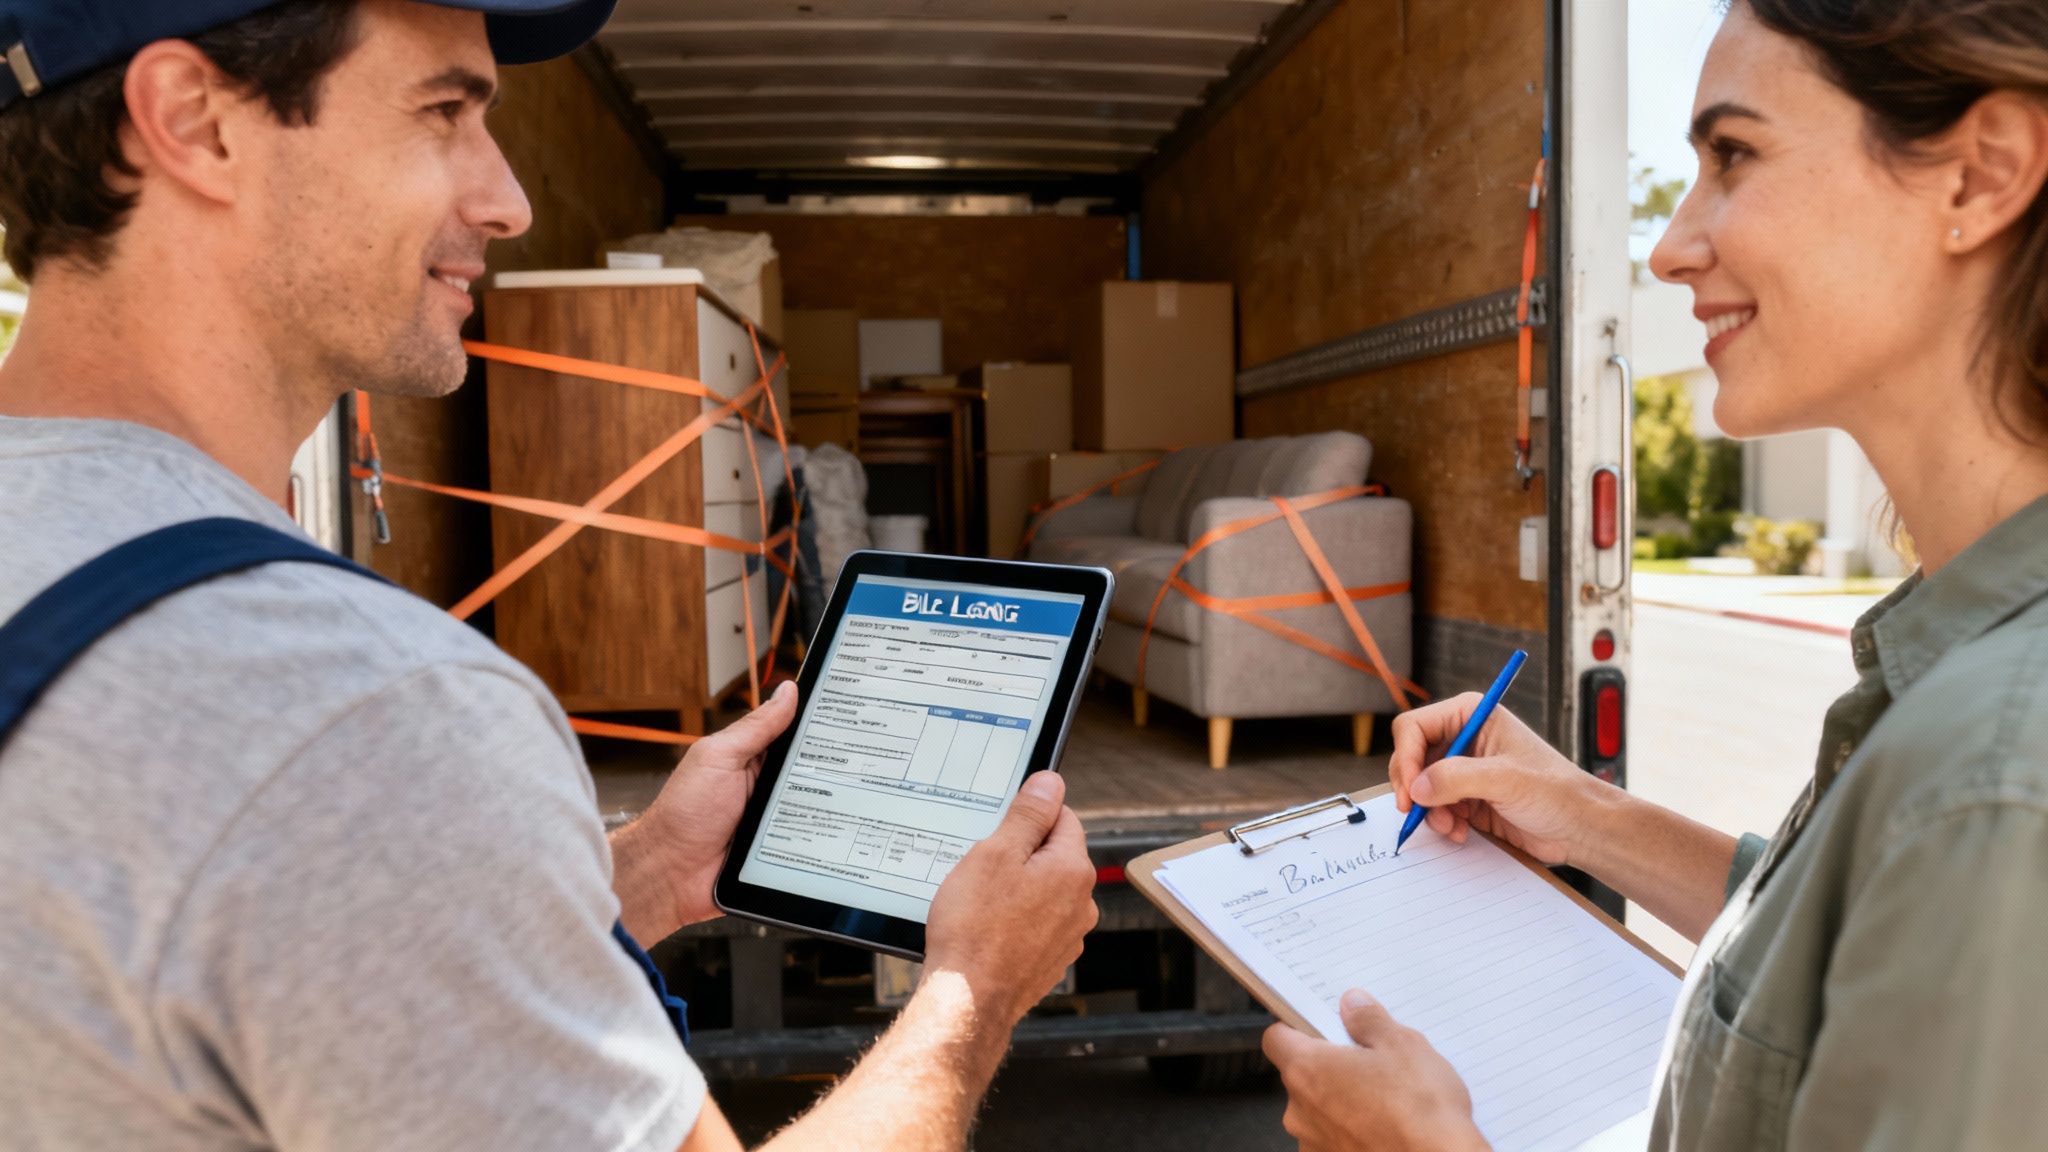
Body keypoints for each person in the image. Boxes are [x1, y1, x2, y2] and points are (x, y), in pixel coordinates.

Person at [0, 2, 1099, 1150]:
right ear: (193, 121)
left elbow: (320, 951)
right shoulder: (367, 712)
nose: (509, 201)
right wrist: (972, 988)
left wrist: (650, 870)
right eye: (442, 111)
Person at [1261, 0, 2048, 1148]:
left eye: (1732, 154)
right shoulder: (1966, 699)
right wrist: (1579, 814)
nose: (1670, 246)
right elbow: (1830, 948)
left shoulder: (1994, 773)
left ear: (1981, 174)